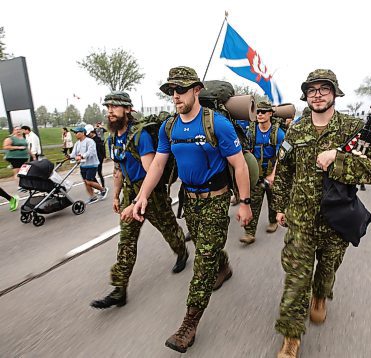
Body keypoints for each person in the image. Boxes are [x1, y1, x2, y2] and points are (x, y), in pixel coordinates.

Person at [132, 66, 252, 353]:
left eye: (181, 89)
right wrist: (142, 196)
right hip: (190, 200)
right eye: (172, 90)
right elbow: (159, 164)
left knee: (202, 263)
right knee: (203, 246)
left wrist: (245, 203)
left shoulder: (217, 124)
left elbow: (239, 165)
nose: (176, 95)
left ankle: (188, 325)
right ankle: (224, 266)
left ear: (197, 90)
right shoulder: (169, 127)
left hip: (215, 198)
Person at [272, 69, 371, 357]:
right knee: (296, 280)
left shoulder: (354, 129)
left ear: (334, 93)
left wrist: (337, 158)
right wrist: (280, 206)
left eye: (324, 88)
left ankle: (321, 295)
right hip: (301, 219)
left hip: (337, 219)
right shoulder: (295, 130)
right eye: (312, 89)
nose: (318, 94)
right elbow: (283, 171)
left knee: (326, 269)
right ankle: (291, 336)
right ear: (306, 95)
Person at [90, 91, 188, 309]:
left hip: (150, 194)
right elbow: (118, 169)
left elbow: (151, 171)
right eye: (108, 108)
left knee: (168, 229)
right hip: (129, 193)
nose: (110, 112)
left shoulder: (140, 135)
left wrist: (137, 201)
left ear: (127, 109)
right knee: (126, 240)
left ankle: (182, 251)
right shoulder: (113, 137)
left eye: (114, 107)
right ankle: (119, 290)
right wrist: (116, 196)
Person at [240, 100, 285, 244]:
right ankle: (249, 233)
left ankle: (273, 222)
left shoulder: (278, 133)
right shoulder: (251, 131)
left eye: (263, 112)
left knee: (273, 200)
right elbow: (246, 151)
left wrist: (273, 175)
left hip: (273, 171)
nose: (259, 114)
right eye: (258, 112)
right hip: (257, 172)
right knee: (253, 202)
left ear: (270, 114)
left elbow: (281, 156)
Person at [68, 127, 108, 204]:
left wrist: (82, 156)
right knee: (85, 182)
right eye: (75, 133)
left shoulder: (90, 141)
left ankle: (103, 189)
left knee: (89, 181)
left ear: (83, 133)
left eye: (77, 132)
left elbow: (91, 152)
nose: (75, 134)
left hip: (92, 164)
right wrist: (69, 156)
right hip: (83, 165)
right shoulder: (77, 143)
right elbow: (73, 153)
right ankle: (92, 197)